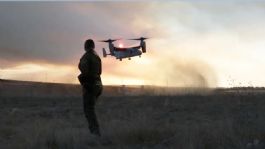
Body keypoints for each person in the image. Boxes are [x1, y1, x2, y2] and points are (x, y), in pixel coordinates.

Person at [78, 39, 103, 136]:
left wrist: (85, 81)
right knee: (91, 108)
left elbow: (84, 70)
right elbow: (100, 72)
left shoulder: (86, 56)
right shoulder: (97, 57)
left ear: (86, 46)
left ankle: (95, 134)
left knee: (89, 110)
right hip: (98, 85)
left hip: (90, 85)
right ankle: (95, 132)